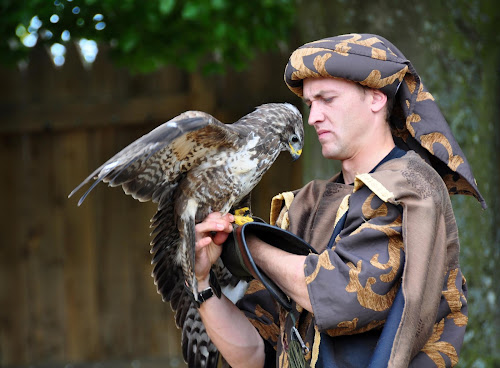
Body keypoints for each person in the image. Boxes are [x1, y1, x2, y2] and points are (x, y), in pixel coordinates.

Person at [194, 33, 485, 367]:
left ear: (376, 99)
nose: (313, 116)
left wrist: (246, 243)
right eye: (310, 104)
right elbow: (253, 355)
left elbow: (341, 295)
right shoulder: (306, 205)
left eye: (327, 99)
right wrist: (203, 283)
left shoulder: (411, 189)